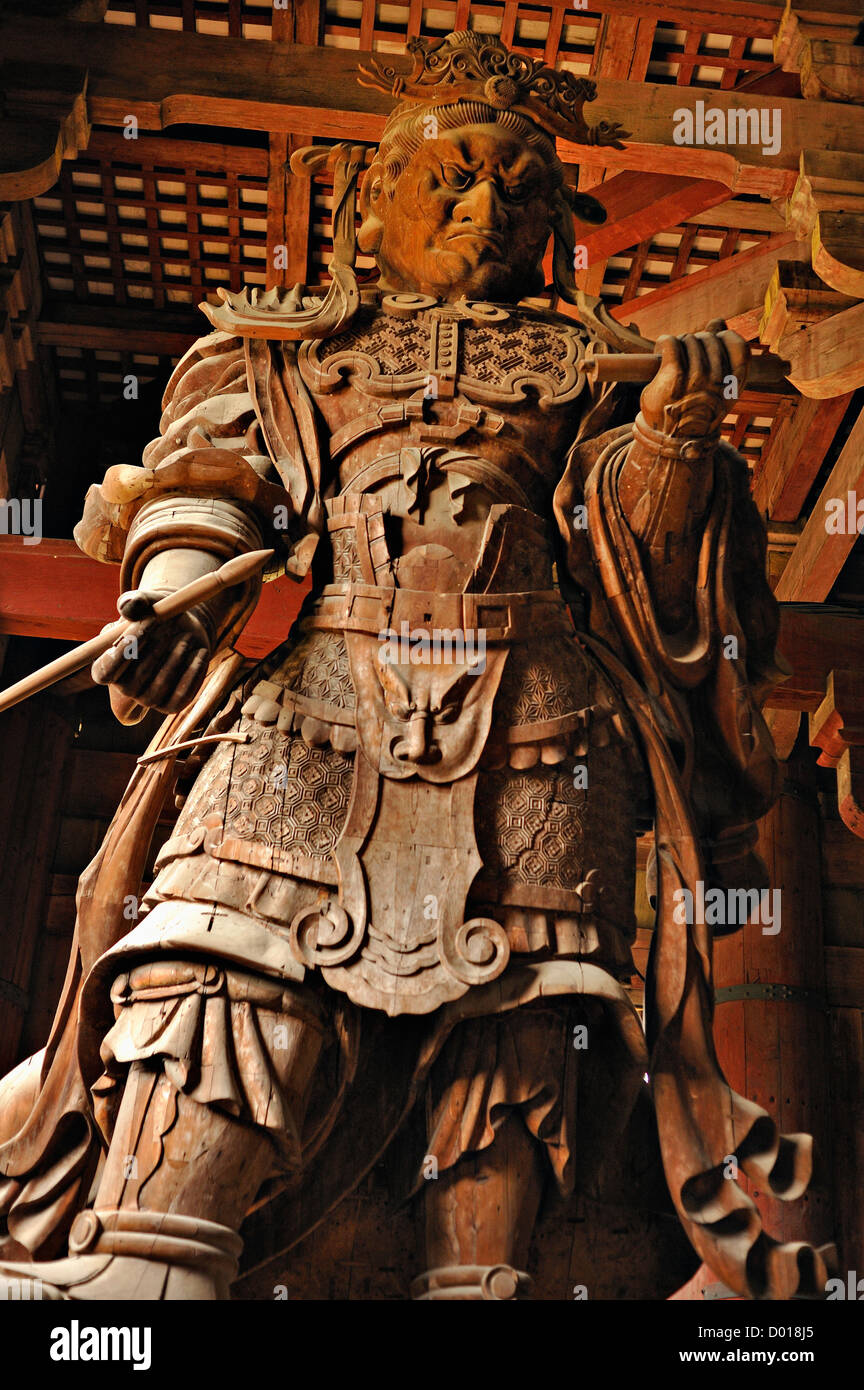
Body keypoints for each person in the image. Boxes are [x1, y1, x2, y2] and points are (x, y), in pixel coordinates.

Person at [0, 31, 827, 1301]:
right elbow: (212, 483)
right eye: (452, 177)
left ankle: (479, 1279)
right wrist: (171, 598)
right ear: (368, 210)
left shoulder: (592, 371)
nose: (487, 206)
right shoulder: (278, 350)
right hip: (315, 708)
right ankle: (150, 1260)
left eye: (520, 188)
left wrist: (668, 445)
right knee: (217, 960)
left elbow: (648, 571)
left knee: (520, 1017)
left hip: (540, 723)